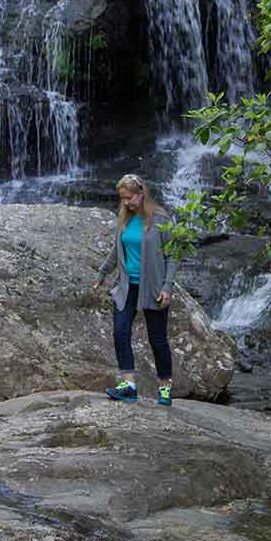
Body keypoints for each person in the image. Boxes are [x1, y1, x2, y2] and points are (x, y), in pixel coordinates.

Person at [94, 173, 176, 406]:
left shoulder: (160, 219)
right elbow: (116, 250)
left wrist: (167, 287)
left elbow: (173, 256)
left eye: (129, 198)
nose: (126, 202)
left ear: (141, 194)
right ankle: (129, 385)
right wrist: (102, 273)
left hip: (153, 287)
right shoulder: (125, 220)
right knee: (120, 333)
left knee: (157, 339)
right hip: (126, 285)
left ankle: (165, 388)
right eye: (123, 199)